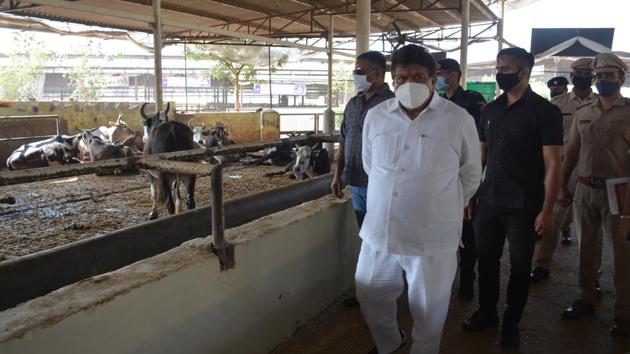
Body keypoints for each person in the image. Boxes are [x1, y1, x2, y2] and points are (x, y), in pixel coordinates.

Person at [357, 44, 481, 354]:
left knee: (429, 310)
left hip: (432, 235)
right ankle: (390, 343)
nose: (408, 83)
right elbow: (372, 167)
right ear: (393, 79)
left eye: (418, 76)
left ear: (432, 78)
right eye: (401, 77)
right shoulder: (376, 116)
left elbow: (470, 174)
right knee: (370, 293)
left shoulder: (458, 119)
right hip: (380, 230)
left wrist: (438, 204)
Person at [462, 47, 563, 349]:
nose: (500, 72)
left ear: (525, 71)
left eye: (507, 68)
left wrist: (548, 209)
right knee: (486, 260)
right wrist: (470, 194)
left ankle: (511, 323)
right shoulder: (490, 111)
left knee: (520, 267)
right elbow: (480, 157)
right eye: (498, 66)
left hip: (524, 204)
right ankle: (487, 312)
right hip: (489, 200)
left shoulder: (546, 112)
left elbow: (554, 164)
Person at [559, 53, 630, 338]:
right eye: (599, 76)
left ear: (621, 79)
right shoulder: (583, 111)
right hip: (585, 189)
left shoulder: (628, 112)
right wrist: (563, 185)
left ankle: (624, 313)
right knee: (586, 249)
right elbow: (572, 151)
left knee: (621, 255)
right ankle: (587, 299)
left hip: (619, 191)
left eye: (609, 76)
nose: (603, 81)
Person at [331, 51, 394, 307]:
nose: (356, 75)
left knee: (386, 239)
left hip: (383, 185)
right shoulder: (353, 104)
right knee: (367, 239)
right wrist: (338, 174)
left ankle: (388, 291)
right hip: (356, 181)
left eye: (360, 70)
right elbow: (344, 141)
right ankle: (369, 292)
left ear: (376, 72)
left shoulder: (393, 103)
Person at [530, 58, 599, 282]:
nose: (583, 77)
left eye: (588, 74)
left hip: (590, 168)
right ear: (572, 76)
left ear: (593, 77)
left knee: (592, 227)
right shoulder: (557, 105)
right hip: (561, 168)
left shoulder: (601, 104)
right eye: (579, 73)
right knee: (554, 217)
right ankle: (543, 264)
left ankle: (592, 277)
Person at [437, 58, 486, 300]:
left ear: (454, 75)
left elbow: (479, 143)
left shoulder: (472, 101)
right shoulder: (432, 103)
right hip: (438, 179)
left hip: (463, 175)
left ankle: (467, 281)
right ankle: (441, 282)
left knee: (468, 235)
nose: (438, 78)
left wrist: (471, 192)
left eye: (442, 73)